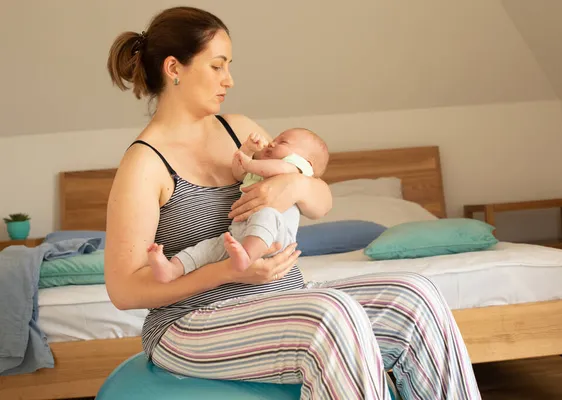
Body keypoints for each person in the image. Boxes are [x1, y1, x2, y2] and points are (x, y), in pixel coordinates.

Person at [104, 6, 481, 400]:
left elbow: (322, 201)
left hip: (282, 301)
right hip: (191, 324)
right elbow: (125, 290)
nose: (229, 80)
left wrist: (294, 188)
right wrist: (228, 273)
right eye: (217, 66)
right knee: (333, 316)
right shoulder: (144, 164)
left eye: (229, 66)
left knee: (414, 297)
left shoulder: (240, 130)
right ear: (173, 68)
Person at [146, 127, 329, 282]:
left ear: (306, 162)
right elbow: (238, 173)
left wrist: (250, 163)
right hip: (242, 230)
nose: (273, 143)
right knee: (211, 247)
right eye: (275, 139)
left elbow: (275, 170)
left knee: (267, 214)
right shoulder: (260, 166)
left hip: (274, 234)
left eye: (283, 142)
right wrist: (247, 151)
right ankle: (174, 268)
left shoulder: (295, 168)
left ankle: (247, 257)